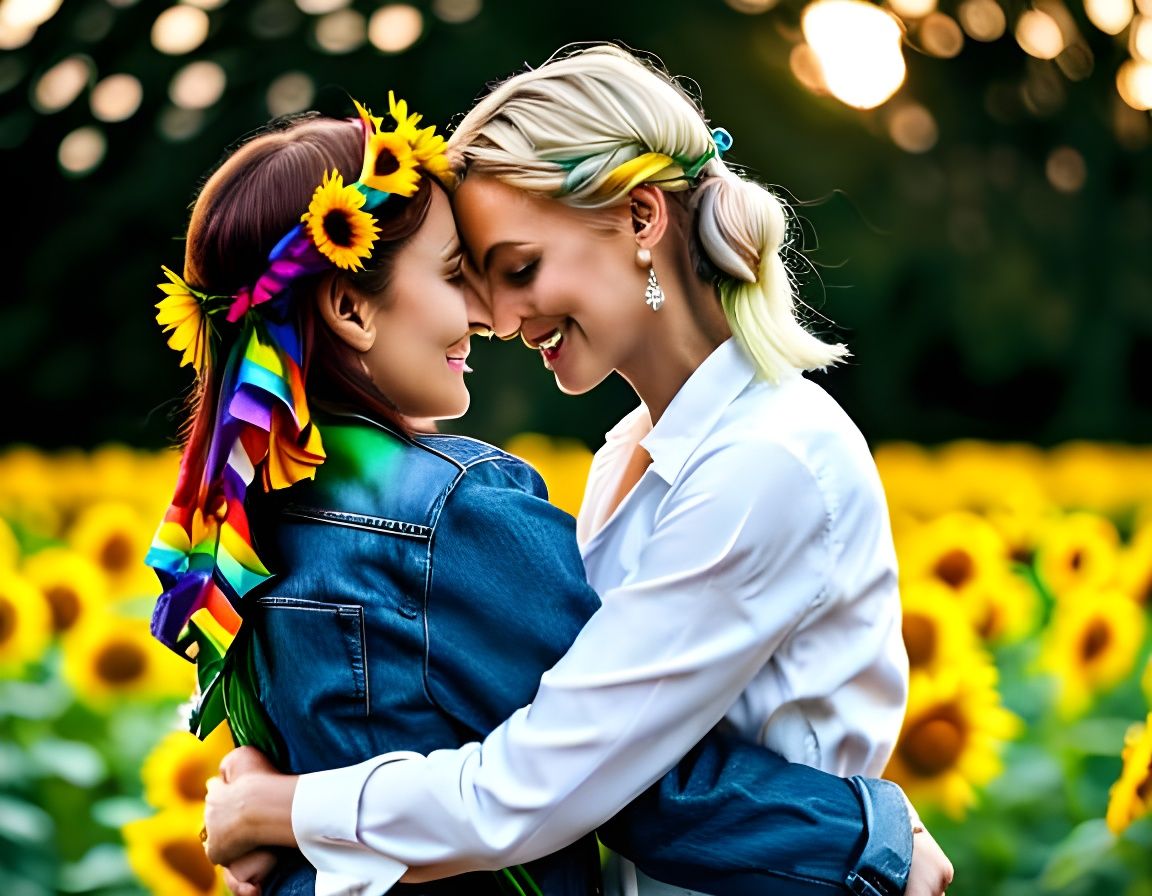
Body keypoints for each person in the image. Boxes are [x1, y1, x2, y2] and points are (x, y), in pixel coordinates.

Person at [198, 44, 953, 896]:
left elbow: (549, 782)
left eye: (517, 269)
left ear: (639, 219)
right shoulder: (630, 450)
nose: (498, 317)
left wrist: (285, 811)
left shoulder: (765, 462)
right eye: (477, 280)